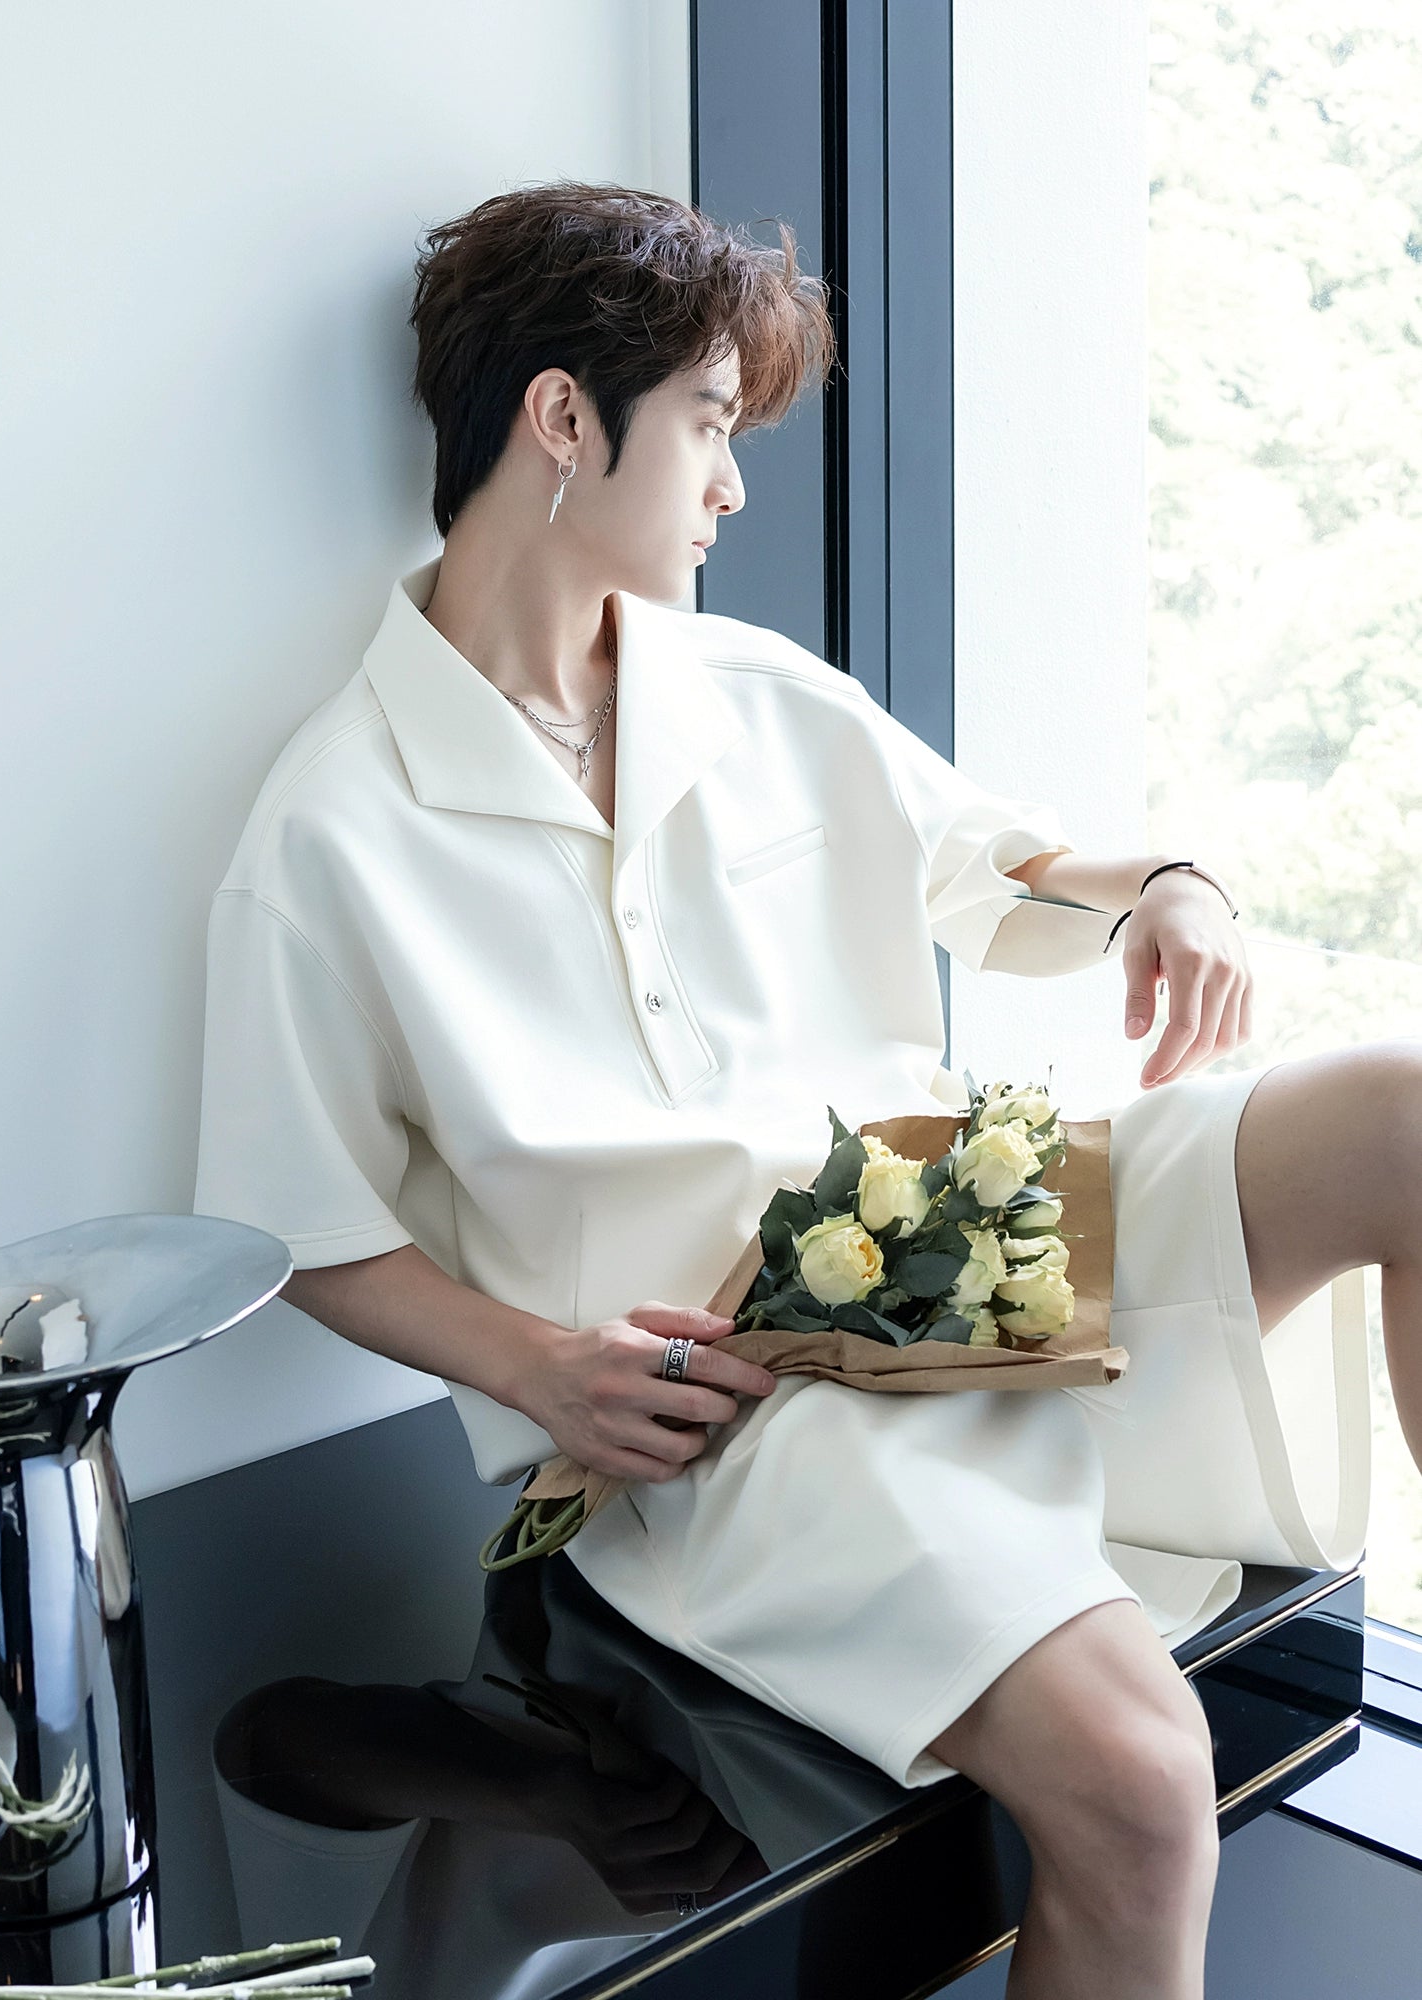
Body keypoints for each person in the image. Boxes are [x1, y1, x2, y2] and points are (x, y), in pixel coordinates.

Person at [192, 179, 1410, 1999]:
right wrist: (540, 1368)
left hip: (975, 1232)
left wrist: (1171, 887)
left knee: (1403, 1115)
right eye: (708, 423)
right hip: (742, 1410)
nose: (734, 485)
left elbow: (1004, 870)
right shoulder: (333, 832)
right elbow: (291, 1229)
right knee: (1144, 1783)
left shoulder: (753, 692)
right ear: (561, 419)